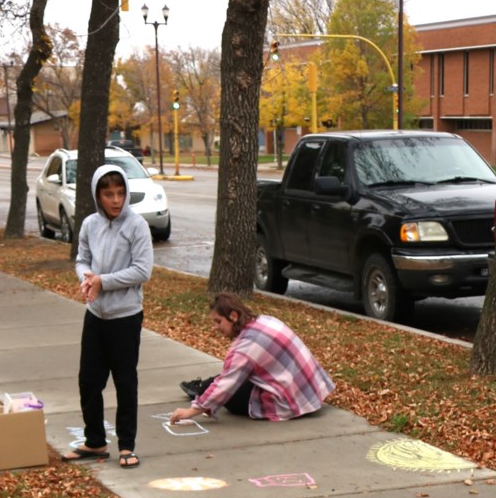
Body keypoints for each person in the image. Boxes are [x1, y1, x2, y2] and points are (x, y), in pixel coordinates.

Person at [62, 163, 153, 469]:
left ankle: (127, 445)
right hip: (95, 315)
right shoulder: (90, 224)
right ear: (97, 196)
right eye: (108, 194)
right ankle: (95, 442)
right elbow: (82, 259)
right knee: (89, 382)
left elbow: (143, 270)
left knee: (125, 382)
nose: (115, 200)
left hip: (125, 316)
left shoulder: (136, 225)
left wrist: (103, 281)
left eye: (120, 193)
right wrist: (86, 279)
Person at [168, 292, 334, 425]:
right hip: (311, 391)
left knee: (226, 392)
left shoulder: (245, 346)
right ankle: (202, 388)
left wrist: (191, 412)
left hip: (288, 402)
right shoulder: (265, 320)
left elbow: (226, 384)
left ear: (233, 316)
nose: (216, 328)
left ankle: (201, 390)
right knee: (224, 380)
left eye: (218, 322)